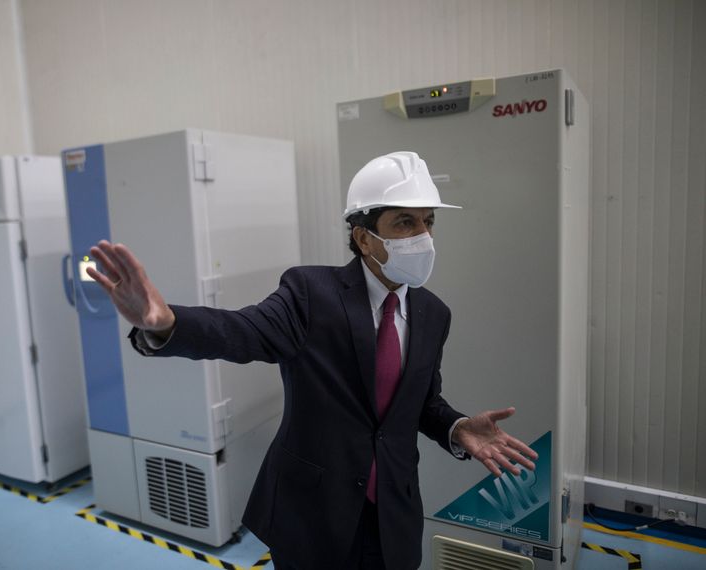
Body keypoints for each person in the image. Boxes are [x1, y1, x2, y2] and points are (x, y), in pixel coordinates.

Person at [86, 151, 538, 570]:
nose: (422, 237)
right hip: (313, 511)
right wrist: (166, 323)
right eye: (404, 223)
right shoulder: (310, 293)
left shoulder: (433, 313)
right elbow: (246, 332)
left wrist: (456, 428)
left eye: (428, 222)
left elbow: (422, 403)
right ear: (364, 237)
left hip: (394, 512)